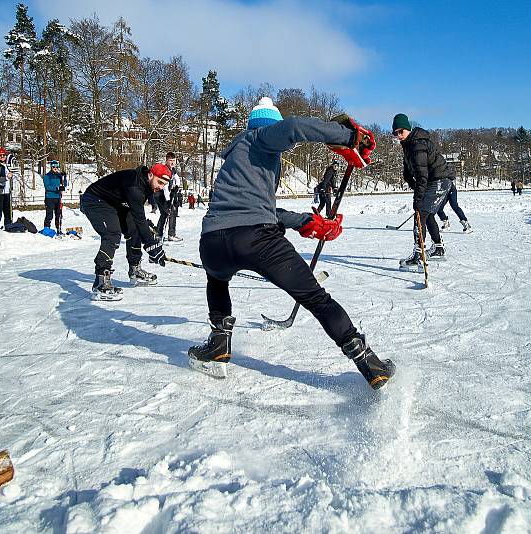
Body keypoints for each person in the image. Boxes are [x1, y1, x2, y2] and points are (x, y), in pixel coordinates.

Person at [188, 96, 394, 390]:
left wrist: (306, 222)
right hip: (256, 240)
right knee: (316, 298)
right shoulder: (261, 137)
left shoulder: (236, 158)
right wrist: (349, 137)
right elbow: (295, 127)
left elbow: (265, 209)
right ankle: (369, 363)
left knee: (217, 281)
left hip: (212, 243)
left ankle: (218, 345)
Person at [80, 163, 171, 300]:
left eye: (164, 184)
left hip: (115, 202)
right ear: (150, 175)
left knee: (133, 229)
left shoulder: (147, 184)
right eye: (160, 182)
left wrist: (151, 243)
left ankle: (135, 270)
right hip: (95, 200)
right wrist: (152, 246)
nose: (161, 187)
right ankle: (101, 282)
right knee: (112, 234)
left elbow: (138, 221)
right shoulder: (135, 186)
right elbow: (140, 218)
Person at [392, 113, 453, 269]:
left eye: (401, 131)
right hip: (436, 181)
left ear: (408, 129)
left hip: (439, 180)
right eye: (395, 133)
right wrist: (408, 178)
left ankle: (419, 254)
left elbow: (421, 175)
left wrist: (417, 198)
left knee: (420, 214)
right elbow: (410, 171)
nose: (398, 136)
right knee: (428, 214)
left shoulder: (417, 144)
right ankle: (438, 248)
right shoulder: (408, 145)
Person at [43, 160, 68, 233]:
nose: (55, 168)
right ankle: (47, 229)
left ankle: (58, 229)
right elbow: (47, 187)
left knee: (58, 215)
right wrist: (57, 188)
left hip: (58, 198)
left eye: (57, 166)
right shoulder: (47, 176)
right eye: (53, 166)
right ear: (51, 167)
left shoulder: (59, 176)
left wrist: (64, 177)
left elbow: (65, 185)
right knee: (49, 214)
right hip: (49, 198)